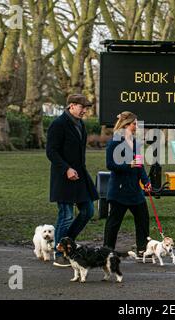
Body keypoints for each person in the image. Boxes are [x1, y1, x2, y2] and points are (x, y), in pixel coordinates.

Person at [46, 94, 99, 267]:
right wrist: (66, 169)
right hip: (63, 177)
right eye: (82, 107)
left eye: (86, 108)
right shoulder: (58, 124)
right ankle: (59, 253)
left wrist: (76, 170)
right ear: (72, 106)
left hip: (79, 175)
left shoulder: (80, 124)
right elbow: (51, 152)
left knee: (88, 211)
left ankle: (68, 244)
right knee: (66, 216)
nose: (85, 111)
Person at [103, 111, 152, 258]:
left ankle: (143, 249)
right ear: (126, 125)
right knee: (113, 223)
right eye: (134, 124)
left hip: (134, 190)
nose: (137, 126)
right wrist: (128, 164)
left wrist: (145, 181)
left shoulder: (136, 142)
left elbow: (139, 164)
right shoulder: (114, 142)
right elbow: (110, 165)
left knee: (143, 219)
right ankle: (107, 251)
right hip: (119, 190)